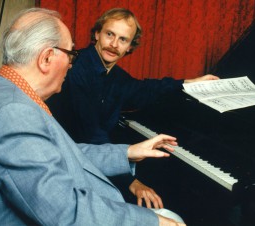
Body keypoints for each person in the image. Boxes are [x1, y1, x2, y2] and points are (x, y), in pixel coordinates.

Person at [0, 7, 187, 226]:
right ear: (47, 57)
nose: (71, 64)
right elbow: (66, 213)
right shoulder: (13, 113)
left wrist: (127, 152)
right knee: (173, 218)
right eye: (70, 54)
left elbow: (59, 152)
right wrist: (154, 222)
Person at [47, 7, 219, 209]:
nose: (114, 44)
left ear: (130, 46)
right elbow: (91, 133)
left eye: (123, 39)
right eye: (109, 34)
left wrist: (188, 82)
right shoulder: (78, 69)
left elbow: (144, 89)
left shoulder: (116, 76)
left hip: (91, 156)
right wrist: (131, 182)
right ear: (97, 34)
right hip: (65, 165)